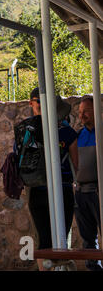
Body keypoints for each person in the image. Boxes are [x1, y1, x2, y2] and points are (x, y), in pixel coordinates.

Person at [23, 88, 78, 271]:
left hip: (37, 189)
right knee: (62, 237)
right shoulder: (67, 132)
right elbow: (75, 164)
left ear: (33, 104)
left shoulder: (26, 130)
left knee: (44, 239)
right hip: (62, 187)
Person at [75, 97, 103, 271]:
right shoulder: (79, 134)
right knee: (88, 239)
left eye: (85, 111)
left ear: (96, 110)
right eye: (79, 112)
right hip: (81, 193)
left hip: (99, 192)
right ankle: (93, 268)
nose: (81, 115)